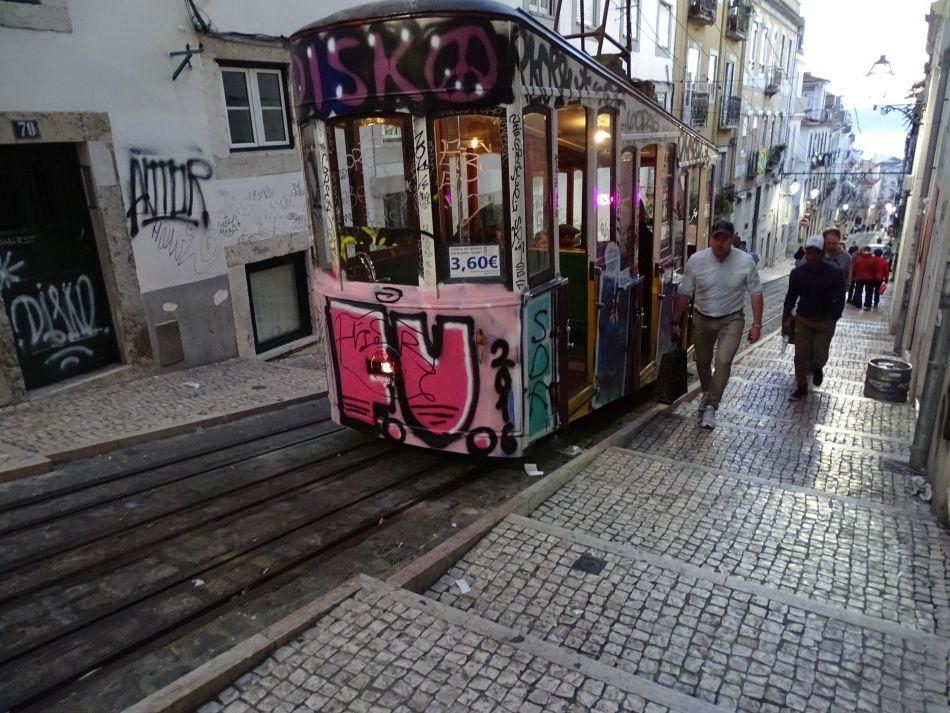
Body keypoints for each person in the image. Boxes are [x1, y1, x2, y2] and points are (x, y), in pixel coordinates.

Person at [671, 220, 764, 430]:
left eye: (725, 239)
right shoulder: (696, 261)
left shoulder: (745, 262)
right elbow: (685, 293)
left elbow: (756, 293)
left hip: (731, 319)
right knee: (702, 360)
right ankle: (706, 393)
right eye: (717, 238)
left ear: (733, 239)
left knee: (723, 361)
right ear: (710, 238)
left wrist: (756, 324)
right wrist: (675, 321)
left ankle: (712, 406)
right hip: (702, 317)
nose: (720, 243)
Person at [783, 235, 845, 401]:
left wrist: (834, 317)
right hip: (803, 320)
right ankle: (801, 387)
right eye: (808, 252)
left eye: (815, 252)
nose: (811, 256)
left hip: (825, 322)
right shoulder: (797, 273)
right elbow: (791, 296)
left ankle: (818, 367)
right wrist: (786, 315)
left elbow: (840, 298)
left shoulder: (834, 274)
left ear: (822, 253)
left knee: (820, 354)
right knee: (800, 355)